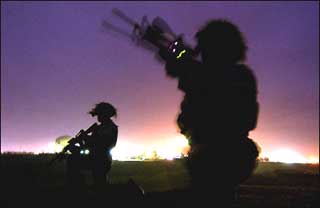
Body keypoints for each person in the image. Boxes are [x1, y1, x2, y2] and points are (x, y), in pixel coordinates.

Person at [155, 19, 260, 207]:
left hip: (218, 156)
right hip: (220, 155)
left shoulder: (233, 75)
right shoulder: (239, 74)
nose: (201, 53)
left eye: (205, 48)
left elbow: (204, 80)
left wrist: (179, 59)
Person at [65, 102, 118, 190]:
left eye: (99, 114)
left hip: (101, 159)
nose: (98, 117)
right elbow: (90, 145)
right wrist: (78, 146)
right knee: (73, 159)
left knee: (100, 184)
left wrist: (85, 138)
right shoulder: (101, 128)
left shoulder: (109, 127)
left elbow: (102, 144)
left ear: (105, 114)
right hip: (96, 158)